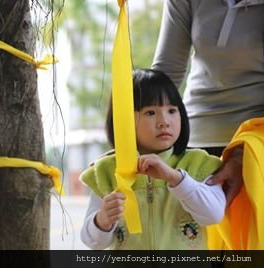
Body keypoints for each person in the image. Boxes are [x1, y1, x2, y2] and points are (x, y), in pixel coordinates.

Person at [80, 69, 226, 250]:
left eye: (172, 110)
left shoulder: (199, 164)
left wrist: (175, 179)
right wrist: (102, 220)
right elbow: (92, 242)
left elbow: (213, 214)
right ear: (123, 120)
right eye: (150, 112)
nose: (164, 121)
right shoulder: (107, 171)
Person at [152, 0, 264, 205]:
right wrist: (133, 142)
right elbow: (166, 74)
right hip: (194, 143)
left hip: (256, 146)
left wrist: (241, 156)